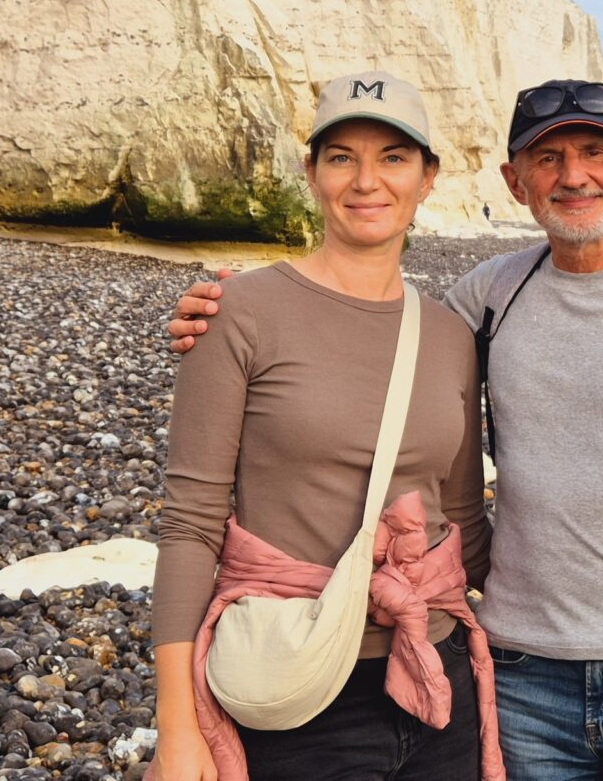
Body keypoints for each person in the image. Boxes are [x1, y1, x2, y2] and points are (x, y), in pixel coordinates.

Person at [171, 79, 603, 781]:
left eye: (595, 151)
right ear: (514, 180)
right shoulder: (489, 297)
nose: (573, 176)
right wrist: (227, 311)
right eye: (548, 158)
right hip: (524, 675)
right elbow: (368, 338)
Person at [150, 71, 495, 781]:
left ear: (428, 176)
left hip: (436, 679)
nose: (367, 181)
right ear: (311, 173)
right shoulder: (236, 312)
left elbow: (461, 520)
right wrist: (177, 728)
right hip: (295, 684)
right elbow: (189, 524)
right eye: (342, 157)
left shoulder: (450, 334)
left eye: (393, 157)